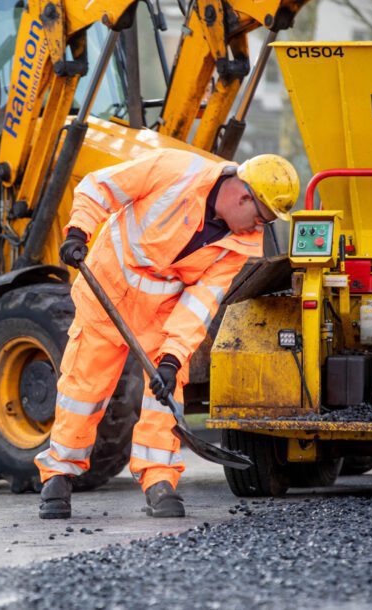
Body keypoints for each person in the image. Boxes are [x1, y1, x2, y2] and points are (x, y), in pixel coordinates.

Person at [34, 148, 299, 519]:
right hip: (105, 291)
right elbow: (100, 187)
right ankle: (58, 476)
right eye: (260, 217)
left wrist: (173, 359)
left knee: (166, 392)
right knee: (84, 387)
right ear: (243, 196)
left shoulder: (241, 244)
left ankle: (159, 481)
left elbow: (200, 303)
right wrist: (79, 231)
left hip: (160, 316)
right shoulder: (175, 169)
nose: (258, 228)